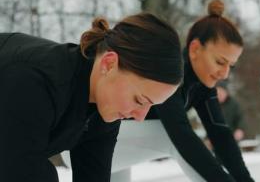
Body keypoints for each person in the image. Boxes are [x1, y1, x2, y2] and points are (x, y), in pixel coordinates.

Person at [0, 13, 184, 181]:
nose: (140, 116)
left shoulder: (103, 108)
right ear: (109, 63)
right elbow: (19, 170)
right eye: (140, 100)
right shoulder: (34, 80)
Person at [110, 0, 253, 182]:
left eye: (230, 66)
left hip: (115, 145)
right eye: (220, 62)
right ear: (195, 49)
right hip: (90, 138)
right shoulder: (171, 72)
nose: (225, 74)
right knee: (171, 137)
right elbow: (180, 134)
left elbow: (221, 136)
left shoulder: (203, 86)